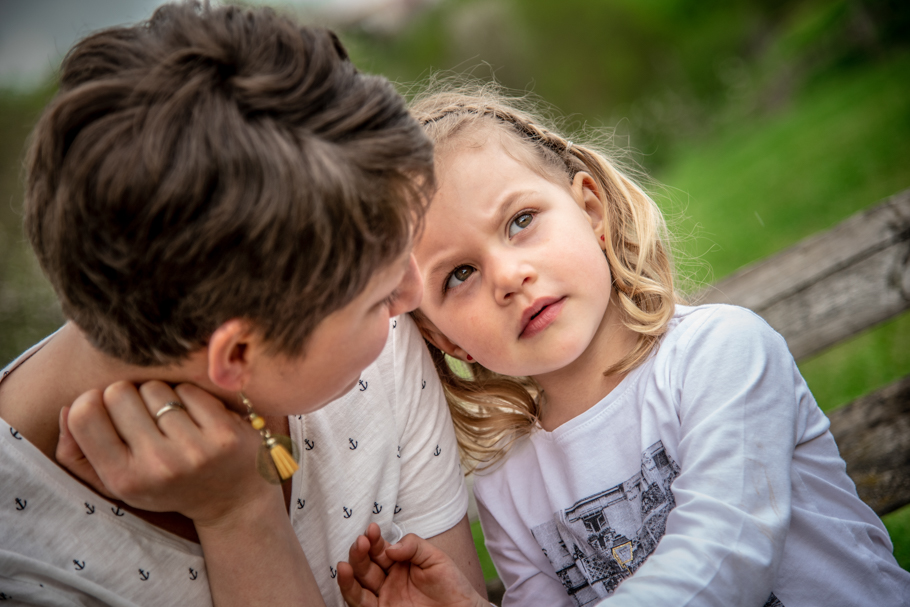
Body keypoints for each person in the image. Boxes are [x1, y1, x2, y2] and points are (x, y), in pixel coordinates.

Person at [336, 84, 910, 606]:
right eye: (459, 274)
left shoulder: (719, 354)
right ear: (443, 339)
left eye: (520, 220)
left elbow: (727, 558)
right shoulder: (506, 481)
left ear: (591, 211)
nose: (508, 276)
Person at [0, 4, 485, 606]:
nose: (412, 297)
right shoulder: (19, 562)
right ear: (237, 352)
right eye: (381, 295)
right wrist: (240, 514)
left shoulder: (376, 356)